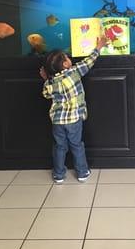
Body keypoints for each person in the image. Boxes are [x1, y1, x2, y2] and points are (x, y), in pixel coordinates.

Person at [39, 36, 107, 184]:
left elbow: (45, 94)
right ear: (65, 64)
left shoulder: (51, 82)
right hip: (74, 120)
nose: (70, 59)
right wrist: (99, 47)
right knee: (76, 145)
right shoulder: (73, 73)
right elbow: (88, 62)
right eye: (67, 58)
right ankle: (82, 172)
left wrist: (45, 79)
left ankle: (58, 175)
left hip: (57, 121)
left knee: (59, 146)